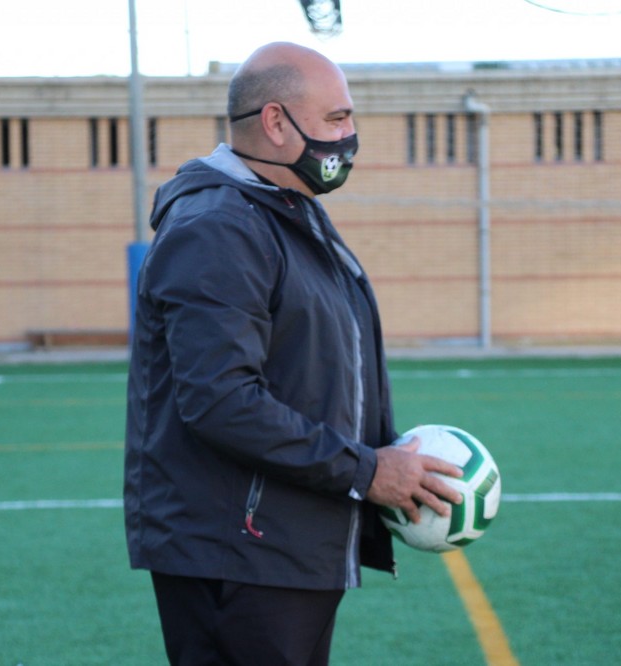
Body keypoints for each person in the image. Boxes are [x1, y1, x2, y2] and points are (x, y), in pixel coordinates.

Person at [124, 41, 463, 666]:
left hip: (284, 543)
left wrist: (380, 455)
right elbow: (222, 402)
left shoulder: (284, 211)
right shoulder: (218, 227)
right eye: (337, 118)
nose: (350, 136)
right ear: (276, 122)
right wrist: (365, 471)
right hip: (239, 553)